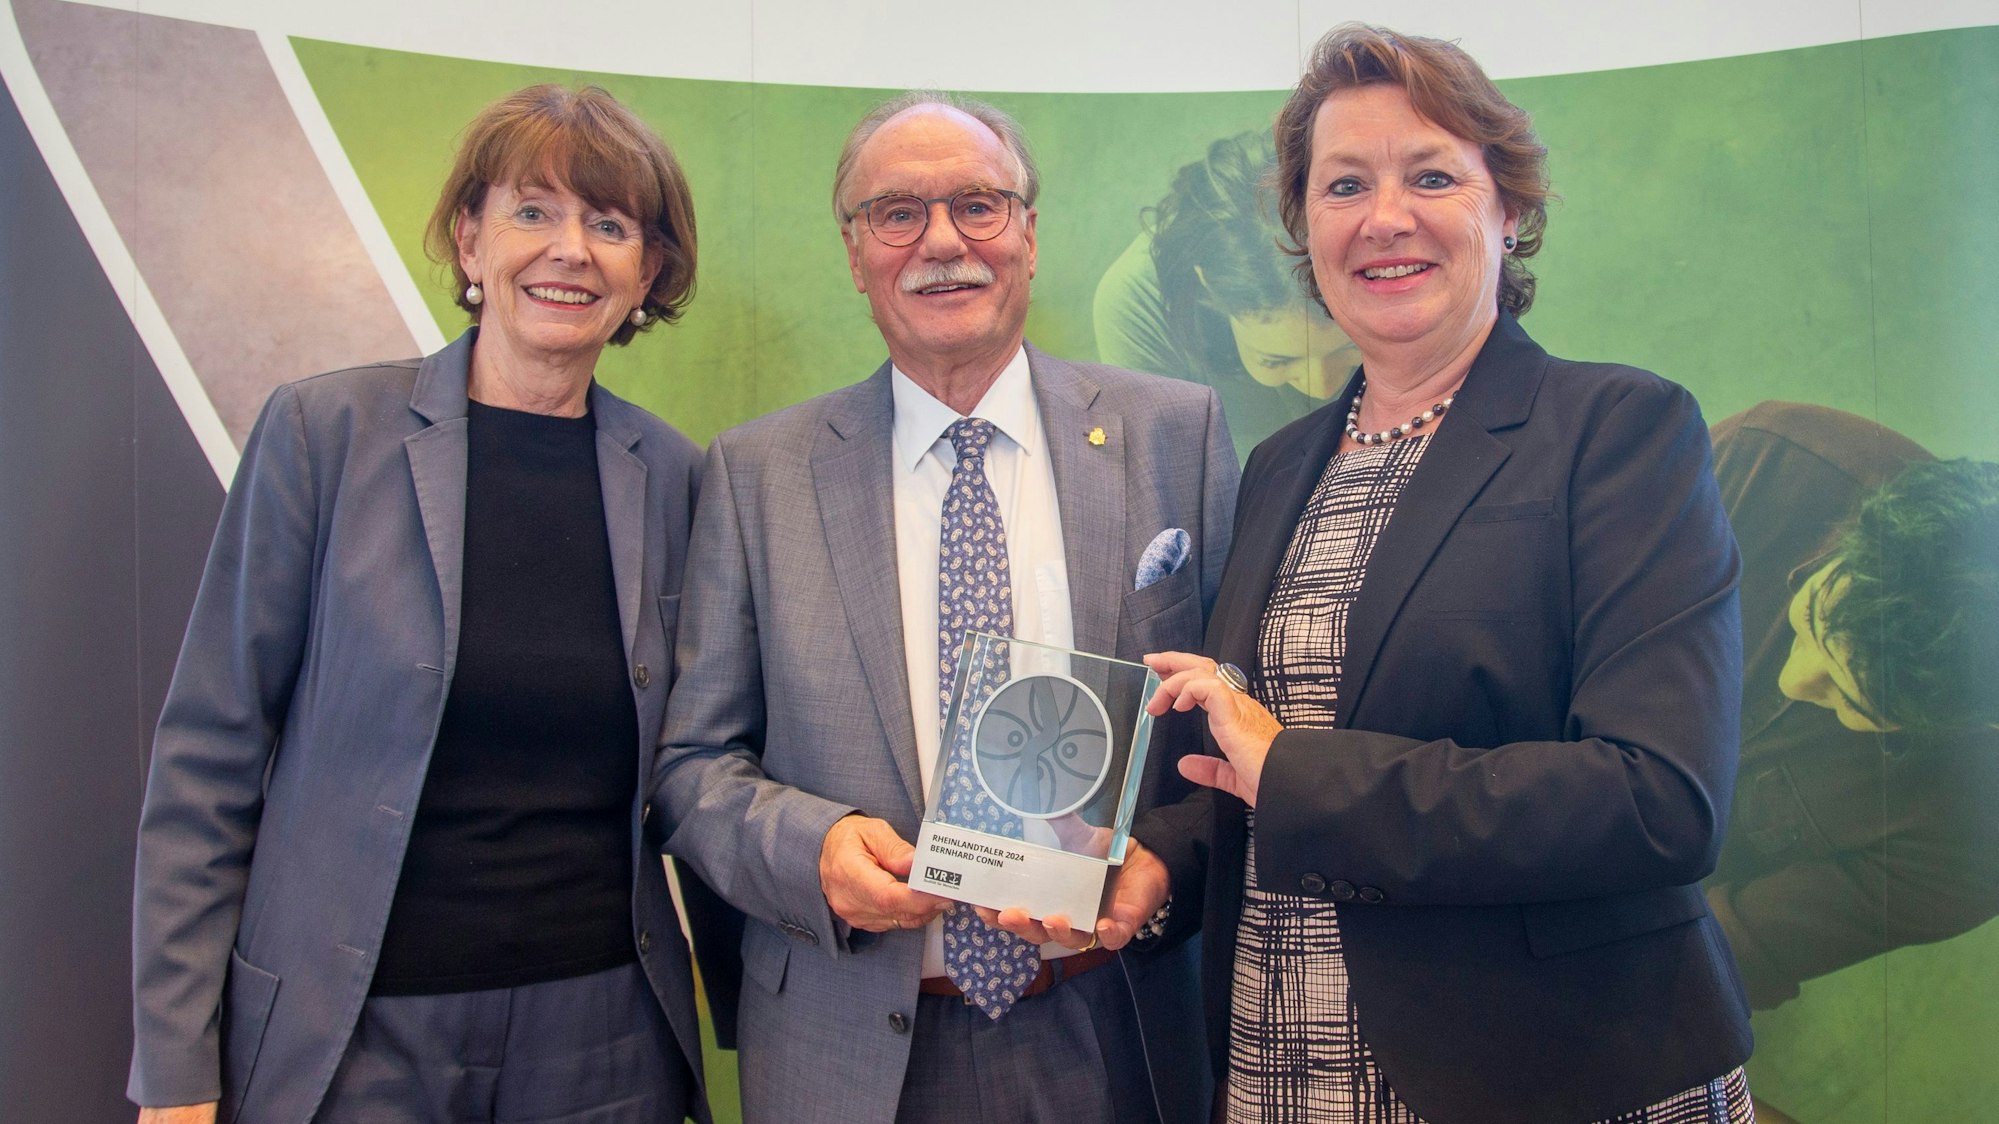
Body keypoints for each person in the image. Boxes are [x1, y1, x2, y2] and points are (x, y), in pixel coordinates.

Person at [1075, 24, 1755, 1124]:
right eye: (1344, 185)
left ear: (1508, 208)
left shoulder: (1619, 430)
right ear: (1304, 229)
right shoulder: (1278, 466)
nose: (1383, 217)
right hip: (1284, 1065)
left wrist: (1292, 771)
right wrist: (1159, 863)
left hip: (1549, 1075)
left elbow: (1657, 800)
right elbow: (1259, 766)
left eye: (1430, 176)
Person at [126, 85, 708, 1124]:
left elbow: (701, 757)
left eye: (610, 225)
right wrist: (177, 1070)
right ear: (470, 239)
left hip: (603, 1041)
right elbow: (209, 758)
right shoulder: (323, 436)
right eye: (532, 211)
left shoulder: (674, 477)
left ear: (647, 273)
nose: (570, 250)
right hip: (354, 1036)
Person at [653, 91, 1237, 1124]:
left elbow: (1245, 721)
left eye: (977, 204)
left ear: (1028, 233)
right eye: (897, 213)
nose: (941, 243)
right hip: (846, 1044)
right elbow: (693, 767)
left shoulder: (1173, 434)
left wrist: (1165, 864)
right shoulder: (757, 474)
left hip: (1114, 1026)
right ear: (853, 251)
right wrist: (813, 851)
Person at [1705, 400, 1999, 1011]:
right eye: (1810, 616)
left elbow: (1721, 951)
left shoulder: (1977, 840)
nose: (1795, 681)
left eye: (1849, 697)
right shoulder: (1768, 456)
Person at [1094, 131, 1363, 459]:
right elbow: (1159, 466)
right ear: (1208, 286)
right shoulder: (1138, 298)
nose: (1322, 387)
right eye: (1277, 360)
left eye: (1350, 345)